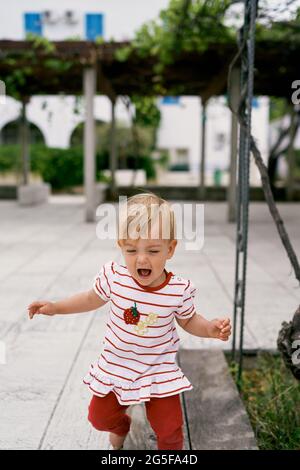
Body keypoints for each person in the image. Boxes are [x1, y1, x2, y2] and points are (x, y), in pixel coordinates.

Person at [27, 193, 231, 450]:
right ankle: (122, 426)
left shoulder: (177, 290)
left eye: (153, 250)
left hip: (158, 369)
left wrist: (210, 329)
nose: (141, 259)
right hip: (117, 366)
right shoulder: (115, 278)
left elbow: (189, 320)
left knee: (169, 429)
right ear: (121, 246)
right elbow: (90, 298)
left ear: (170, 249)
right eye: (131, 250)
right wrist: (56, 307)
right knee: (99, 418)